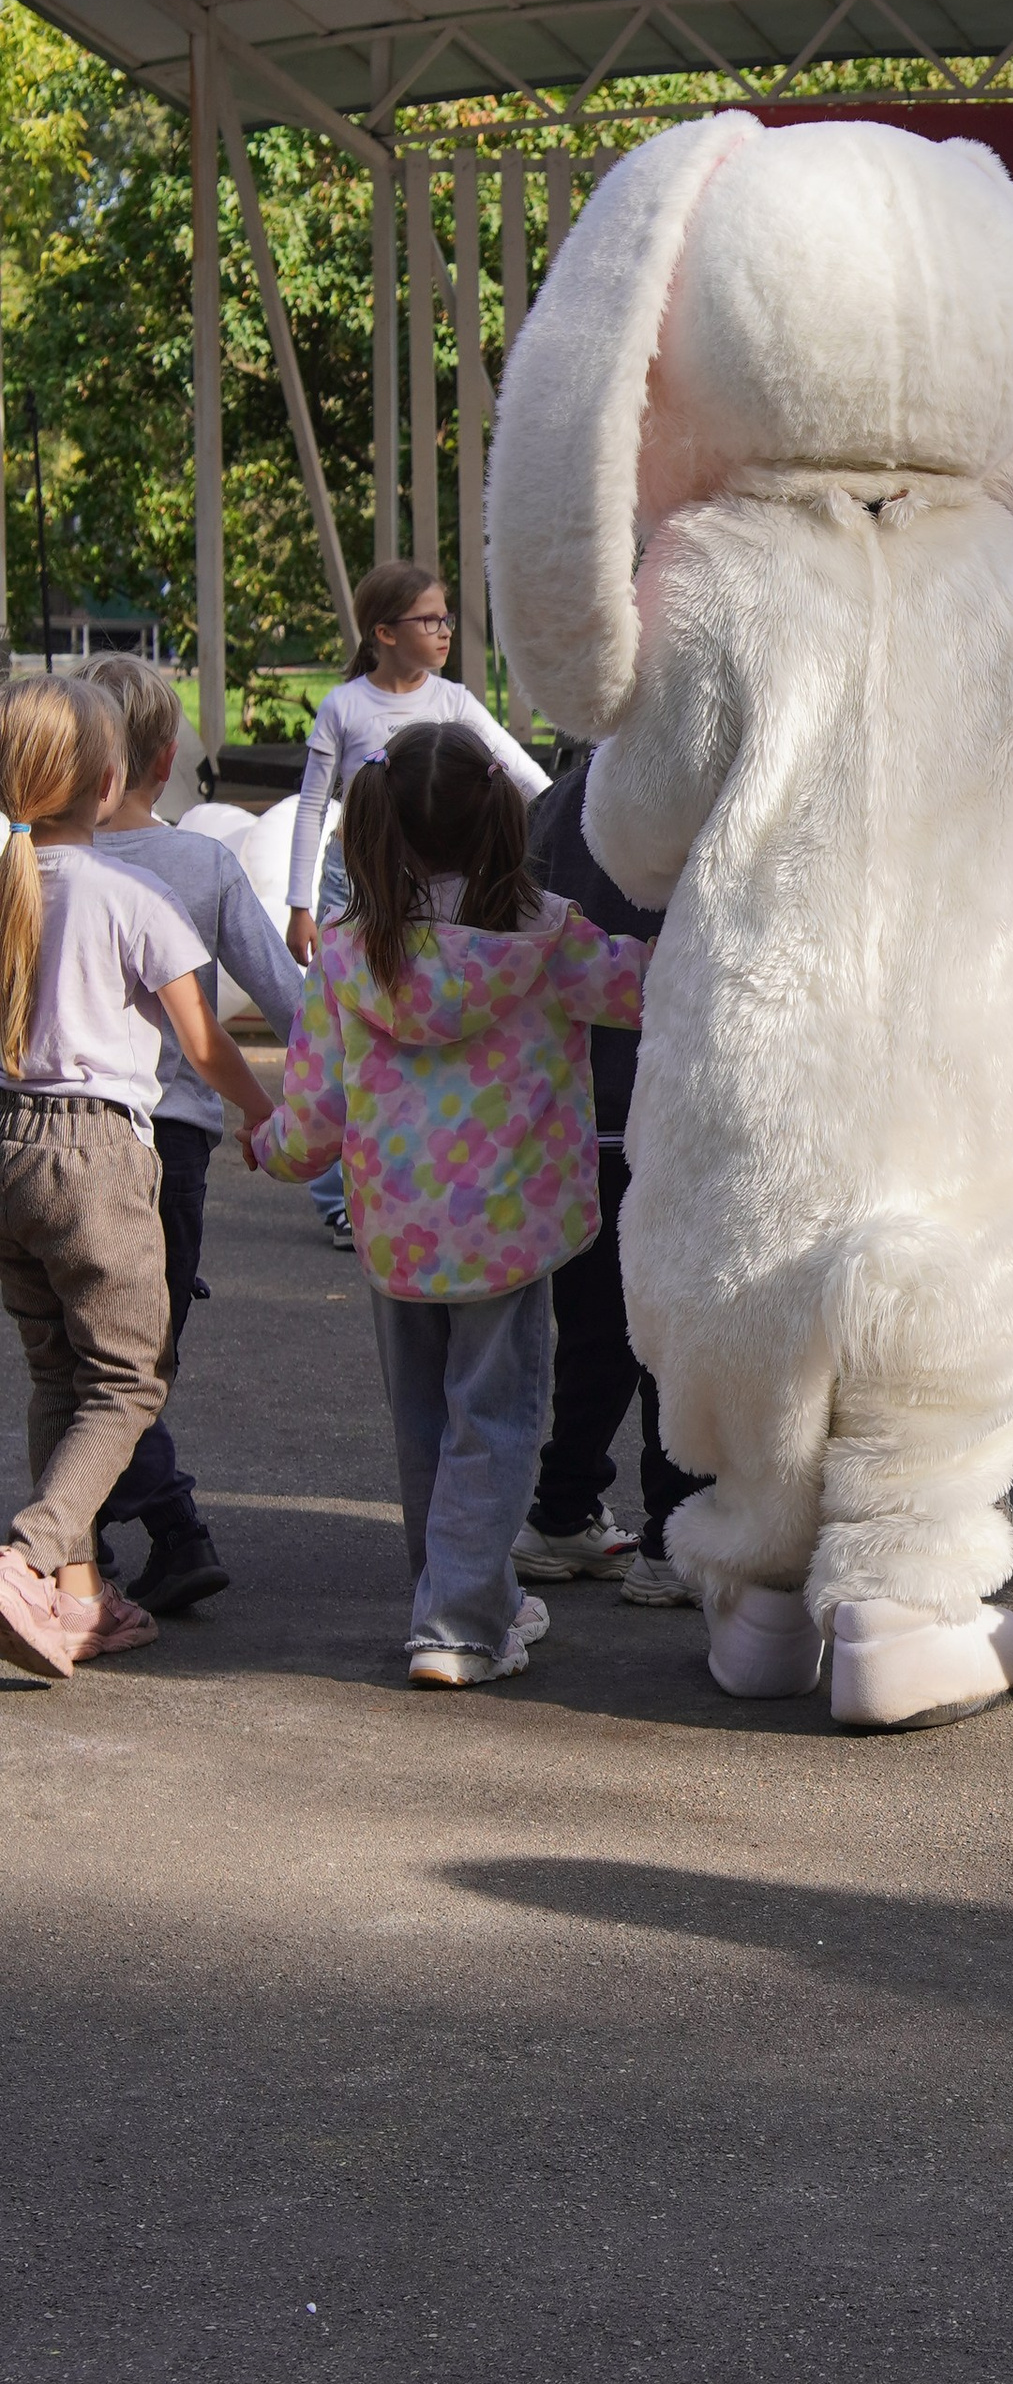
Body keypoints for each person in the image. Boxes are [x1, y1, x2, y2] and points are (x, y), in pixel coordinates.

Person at [252, 726, 648, 1688]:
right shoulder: (550, 939)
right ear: (505, 821)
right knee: (499, 1420)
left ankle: (460, 1593)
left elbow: (310, 1112)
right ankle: (461, 1623)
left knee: (424, 1422)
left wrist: (269, 1150)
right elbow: (651, 991)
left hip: (396, 1229)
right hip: (511, 1229)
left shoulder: (348, 956)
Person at [0, 677, 274, 1684]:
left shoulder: (6, 885)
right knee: (126, 1379)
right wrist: (268, 1115)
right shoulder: (134, 897)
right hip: (96, 1156)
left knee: (55, 1375)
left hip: (6, 1147)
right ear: (112, 781)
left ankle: (78, 1602)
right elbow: (205, 1048)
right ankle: (29, 1559)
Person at [84, 653, 303, 1615]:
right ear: (169, 754)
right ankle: (161, 1525)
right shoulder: (202, 863)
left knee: (84, 1348)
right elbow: (286, 1004)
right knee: (143, 1355)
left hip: (58, 1133)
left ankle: (104, 1533)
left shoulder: (38, 864)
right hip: (171, 1142)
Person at [285, 563, 550, 1249]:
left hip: (439, 894)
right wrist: (299, 903)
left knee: (408, 1025)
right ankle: (333, 1194)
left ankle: (417, 1168)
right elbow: (314, 808)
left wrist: (569, 815)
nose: (443, 631)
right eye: (428, 620)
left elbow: (520, 775)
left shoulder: (456, 702)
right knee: (341, 1027)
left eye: (444, 617)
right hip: (358, 883)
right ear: (382, 634)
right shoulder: (345, 707)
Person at [510, 750, 709, 1606]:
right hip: (665, 1095)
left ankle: (562, 1509)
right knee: (669, 1333)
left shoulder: (553, 805)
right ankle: (669, 1534)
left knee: (594, 1331)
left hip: (574, 1112)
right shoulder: (688, 794)